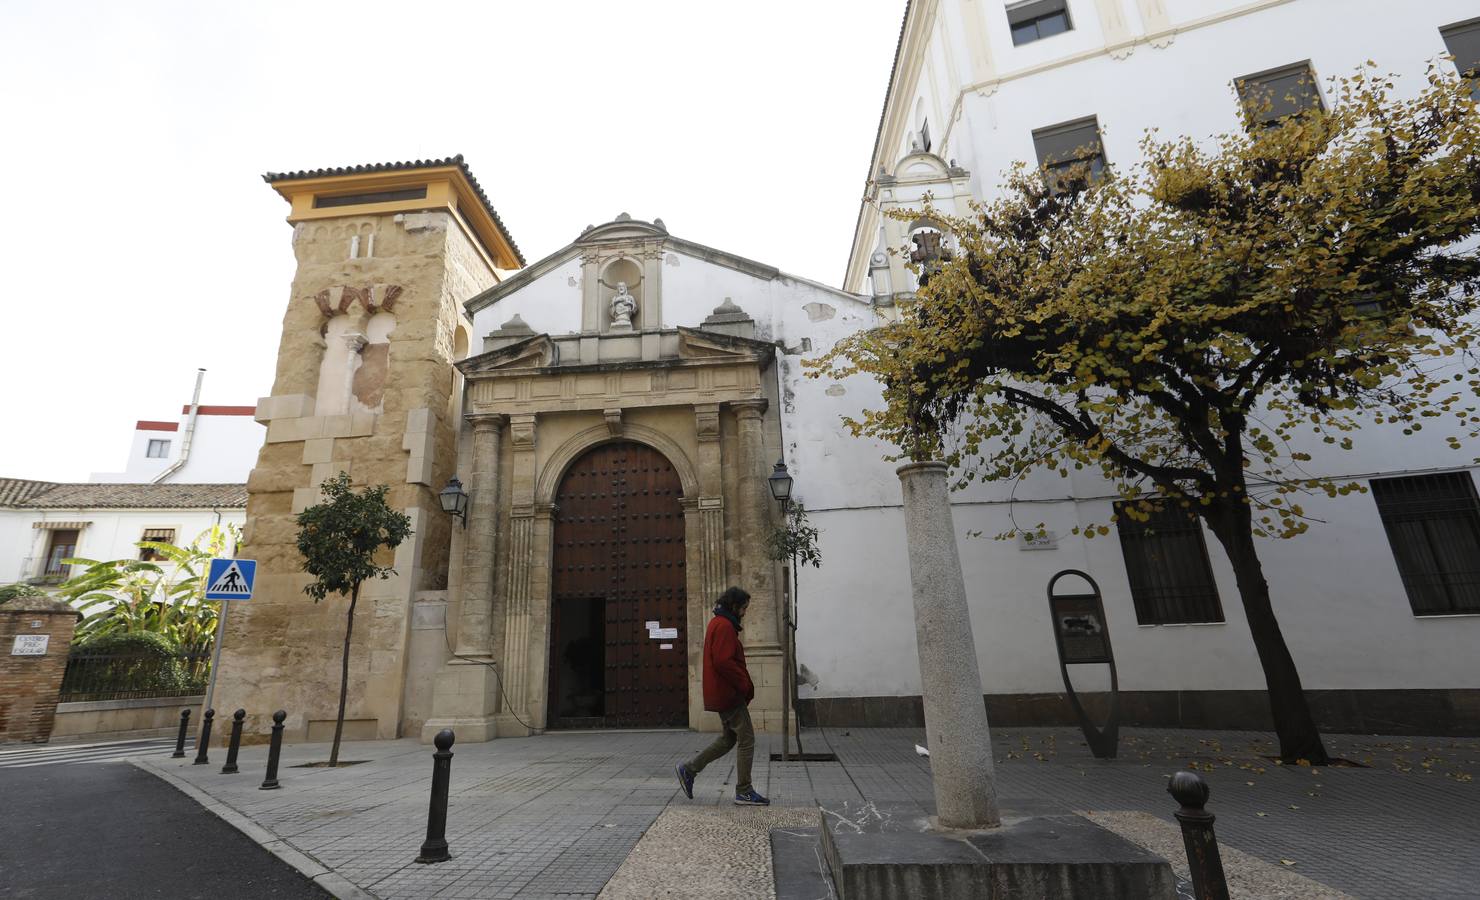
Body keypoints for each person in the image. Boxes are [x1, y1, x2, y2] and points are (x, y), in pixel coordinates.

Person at [675, 586, 769, 806]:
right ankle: (744, 791)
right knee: (747, 740)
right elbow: (724, 661)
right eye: (744, 608)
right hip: (729, 695)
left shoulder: (718, 623)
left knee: (729, 738)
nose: (745, 612)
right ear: (734, 606)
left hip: (723, 693)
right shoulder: (725, 626)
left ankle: (689, 769)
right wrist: (744, 684)